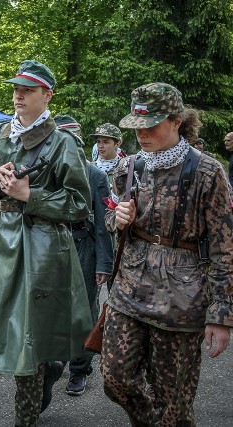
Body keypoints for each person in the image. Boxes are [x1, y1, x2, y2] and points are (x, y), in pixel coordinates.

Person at [0, 60, 92, 427]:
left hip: (43, 247)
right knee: (11, 332)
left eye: (28, 90)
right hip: (0, 242)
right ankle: (47, 369)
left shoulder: (62, 142)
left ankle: (26, 414)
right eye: (16, 88)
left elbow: (80, 205)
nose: (18, 94)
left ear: (47, 95)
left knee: (29, 339)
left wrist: (33, 195)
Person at [101, 82, 233, 426]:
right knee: (115, 378)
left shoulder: (207, 172)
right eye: (137, 126)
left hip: (183, 300)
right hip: (129, 291)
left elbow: (224, 246)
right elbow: (109, 217)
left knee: (173, 403)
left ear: (176, 121)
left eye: (151, 126)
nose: (142, 134)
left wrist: (221, 314)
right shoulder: (128, 167)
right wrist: (116, 220)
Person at [54, 114, 115, 396]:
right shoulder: (47, 172)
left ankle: (79, 369)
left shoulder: (96, 175)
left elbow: (104, 225)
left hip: (83, 247)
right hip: (52, 248)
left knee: (83, 311)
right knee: (50, 306)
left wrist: (104, 263)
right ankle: (52, 361)